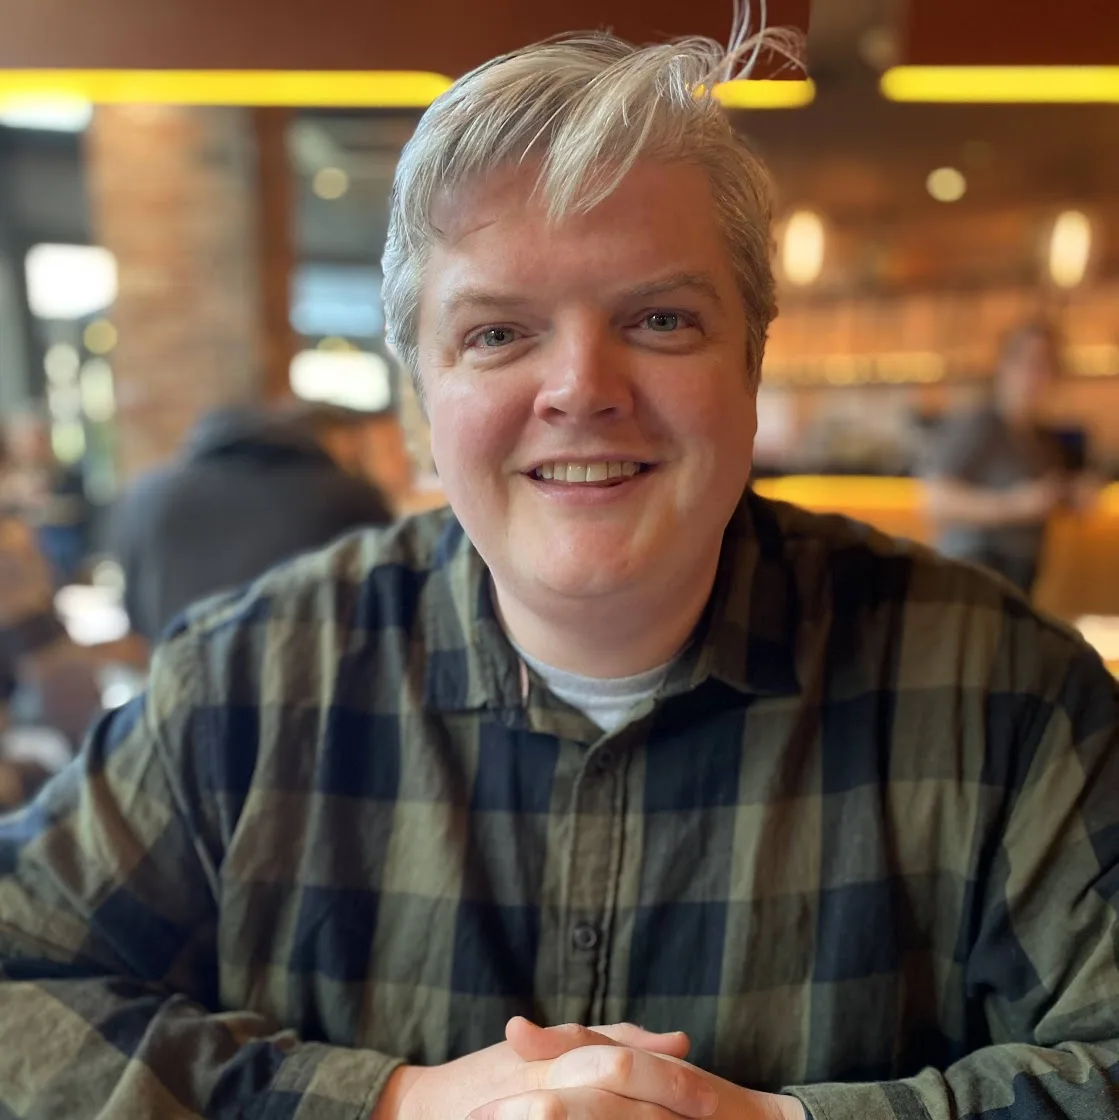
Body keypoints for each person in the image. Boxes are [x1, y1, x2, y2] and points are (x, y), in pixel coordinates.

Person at [1, 25, 1117, 1120]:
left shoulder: (1005, 693)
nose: (582, 387)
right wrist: (390, 1104)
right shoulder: (243, 682)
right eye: (497, 333)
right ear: (419, 399)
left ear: (750, 366)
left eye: (661, 319)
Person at [108, 400, 396, 639]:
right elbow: (390, 605)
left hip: (177, 681)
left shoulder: (146, 496)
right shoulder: (347, 496)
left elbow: (134, 618)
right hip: (316, 682)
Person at [921, 320, 1096, 595]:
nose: (1037, 374)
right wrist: (1014, 505)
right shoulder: (980, 423)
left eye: (1048, 364)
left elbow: (1043, 498)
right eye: (1029, 362)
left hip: (1020, 574)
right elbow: (935, 500)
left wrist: (1069, 495)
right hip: (975, 572)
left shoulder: (1043, 439)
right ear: (1004, 365)